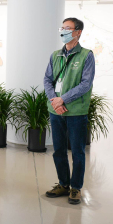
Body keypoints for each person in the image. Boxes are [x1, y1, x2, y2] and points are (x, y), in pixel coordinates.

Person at [43, 17, 95, 206]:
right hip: (56, 110)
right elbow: (47, 80)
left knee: (78, 152)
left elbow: (86, 84)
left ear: (78, 32)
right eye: (62, 28)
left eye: (67, 28)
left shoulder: (86, 55)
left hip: (76, 112)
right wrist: (55, 101)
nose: (63, 31)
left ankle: (76, 188)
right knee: (58, 150)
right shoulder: (55, 55)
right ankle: (63, 184)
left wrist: (63, 99)